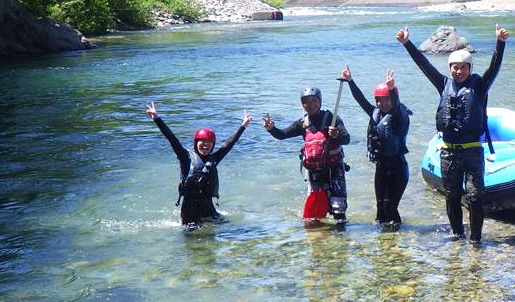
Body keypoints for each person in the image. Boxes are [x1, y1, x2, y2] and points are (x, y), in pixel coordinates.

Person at [396, 24, 508, 242]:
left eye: (463, 67)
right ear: (450, 69)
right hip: (448, 154)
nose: (458, 71)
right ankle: (457, 235)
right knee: (452, 196)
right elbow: (424, 65)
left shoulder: (479, 86)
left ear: (469, 68)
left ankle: (476, 239)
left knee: (474, 197)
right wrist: (407, 43)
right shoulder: (443, 84)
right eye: (455, 67)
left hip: (472, 152)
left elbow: (494, 68)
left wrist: (500, 43)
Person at [146, 102, 251, 228]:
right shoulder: (185, 157)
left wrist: (243, 125)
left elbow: (230, 143)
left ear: (213, 145)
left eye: (209, 143)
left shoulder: (215, 158)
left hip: (208, 206)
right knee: (194, 240)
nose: (205, 145)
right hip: (189, 209)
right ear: (196, 143)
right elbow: (171, 138)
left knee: (226, 230)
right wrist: (157, 119)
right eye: (202, 142)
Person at [262, 87, 351, 222]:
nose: (311, 105)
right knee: (313, 218)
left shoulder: (332, 119)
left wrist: (336, 134)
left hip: (334, 170)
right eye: (306, 102)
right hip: (314, 172)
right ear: (302, 104)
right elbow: (282, 135)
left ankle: (340, 240)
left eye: (314, 101)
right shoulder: (303, 123)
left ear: (320, 102)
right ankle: (317, 240)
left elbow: (346, 139)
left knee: (338, 211)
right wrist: (271, 128)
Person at [343, 66, 411, 227]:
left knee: (390, 207)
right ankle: (383, 245)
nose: (383, 103)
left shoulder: (399, 116)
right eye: (380, 100)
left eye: (387, 99)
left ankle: (395, 244)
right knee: (380, 210)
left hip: (398, 169)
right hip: (381, 169)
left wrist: (392, 89)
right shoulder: (375, 113)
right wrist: (350, 81)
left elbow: (396, 104)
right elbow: (360, 100)